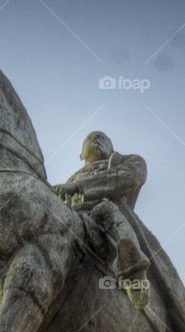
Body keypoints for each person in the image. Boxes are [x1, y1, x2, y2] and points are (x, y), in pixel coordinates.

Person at [53, 131, 150, 309]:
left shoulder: (127, 161)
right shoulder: (70, 178)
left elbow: (128, 177)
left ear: (111, 149)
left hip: (103, 215)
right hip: (71, 217)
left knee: (105, 210)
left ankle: (134, 273)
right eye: (90, 138)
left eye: (103, 138)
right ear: (81, 155)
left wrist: (78, 187)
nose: (97, 139)